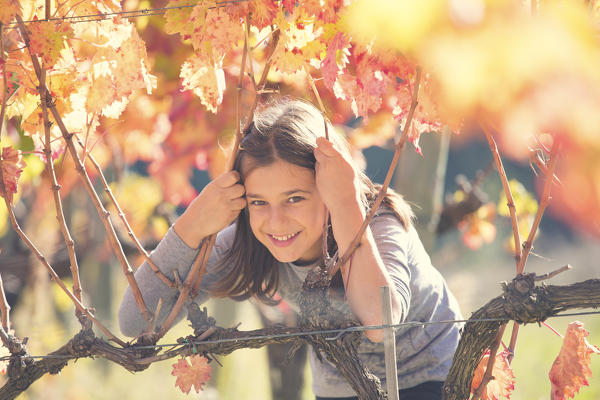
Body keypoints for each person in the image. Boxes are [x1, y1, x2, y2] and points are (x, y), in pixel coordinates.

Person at [119, 98, 462, 400]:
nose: (276, 221)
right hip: (340, 388)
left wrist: (345, 203)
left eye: (294, 199)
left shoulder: (378, 222)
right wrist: (190, 226)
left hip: (436, 377)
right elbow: (135, 321)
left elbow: (379, 324)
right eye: (259, 202)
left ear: (329, 187)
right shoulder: (249, 239)